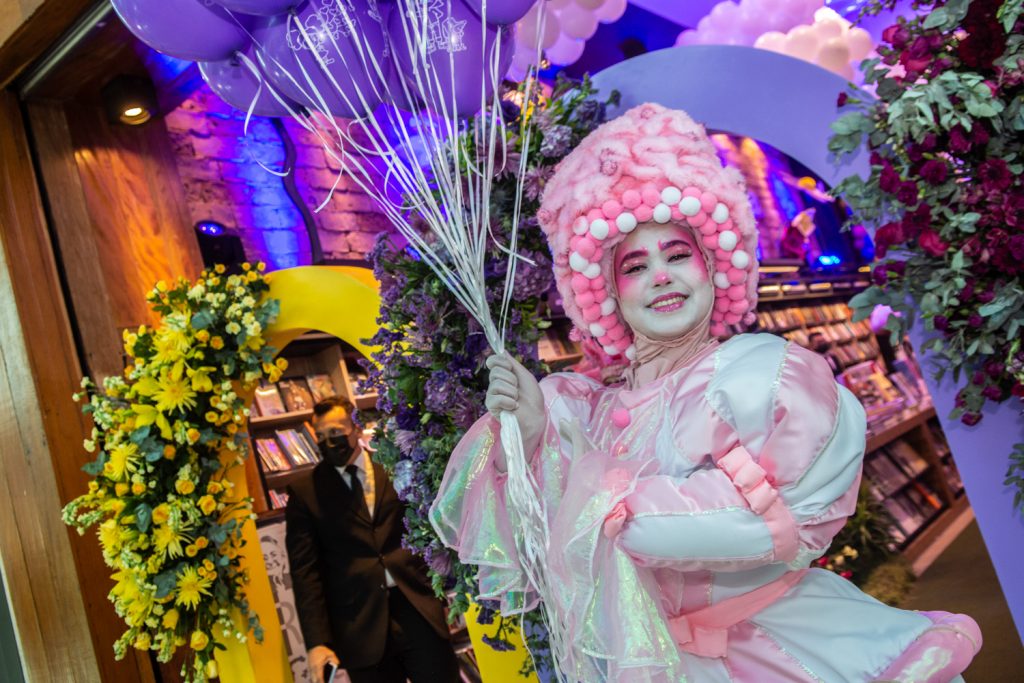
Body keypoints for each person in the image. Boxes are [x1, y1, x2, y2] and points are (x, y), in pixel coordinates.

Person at [430, 104, 980, 682]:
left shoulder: (761, 376)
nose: (660, 276)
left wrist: (598, 501)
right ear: (608, 293)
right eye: (635, 267)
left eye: (676, 255)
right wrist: (532, 438)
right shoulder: (588, 407)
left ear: (713, 264)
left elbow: (779, 522)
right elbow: (545, 553)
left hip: (784, 650)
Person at [286, 396, 459, 683]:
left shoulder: (393, 466)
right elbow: (306, 574)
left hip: (416, 607)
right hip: (359, 625)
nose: (330, 441)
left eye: (336, 431)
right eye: (321, 436)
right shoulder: (305, 493)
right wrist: (317, 642)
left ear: (355, 427)